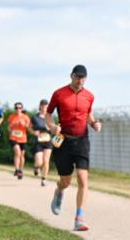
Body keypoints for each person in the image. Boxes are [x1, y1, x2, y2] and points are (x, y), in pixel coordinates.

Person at [46, 65, 101, 231]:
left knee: (83, 178)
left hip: (82, 140)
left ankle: (79, 217)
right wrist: (51, 127)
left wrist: (94, 123)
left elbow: (88, 115)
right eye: (78, 77)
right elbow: (48, 114)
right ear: (71, 76)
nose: (80, 81)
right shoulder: (59, 94)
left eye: (83, 78)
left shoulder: (89, 96)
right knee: (66, 181)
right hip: (63, 141)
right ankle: (59, 191)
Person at [6, 102, 32, 180]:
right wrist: (10, 126)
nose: (18, 109)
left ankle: (20, 170)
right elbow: (8, 128)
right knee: (17, 152)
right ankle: (16, 169)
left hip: (23, 138)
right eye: (16, 108)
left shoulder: (26, 117)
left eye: (20, 108)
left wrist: (24, 124)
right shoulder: (11, 117)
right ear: (15, 109)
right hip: (13, 137)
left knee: (22, 155)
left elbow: (29, 128)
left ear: (22, 108)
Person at [30, 99, 53, 187]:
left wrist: (50, 128)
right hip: (38, 141)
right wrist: (33, 132)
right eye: (43, 106)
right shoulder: (35, 117)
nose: (44, 108)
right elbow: (29, 127)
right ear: (40, 106)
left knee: (46, 161)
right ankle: (36, 167)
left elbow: (54, 128)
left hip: (48, 141)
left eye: (46, 106)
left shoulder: (50, 117)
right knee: (39, 162)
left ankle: (43, 179)